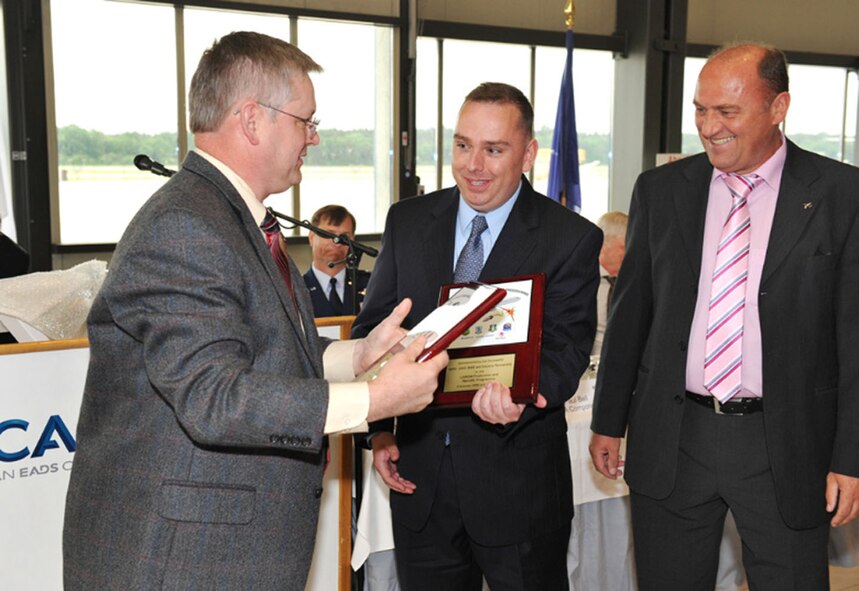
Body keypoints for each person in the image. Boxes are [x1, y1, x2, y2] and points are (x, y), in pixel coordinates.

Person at [62, 31, 447, 591]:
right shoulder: (185, 227)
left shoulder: (239, 220)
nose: (313, 138)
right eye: (305, 121)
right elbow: (215, 397)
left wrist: (356, 356)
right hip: (181, 561)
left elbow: (263, 349)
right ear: (252, 119)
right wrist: (376, 399)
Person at [589, 42, 859, 590]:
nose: (709, 127)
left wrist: (850, 457)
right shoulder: (661, 191)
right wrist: (607, 419)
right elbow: (631, 313)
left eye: (727, 112)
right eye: (701, 109)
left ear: (778, 107)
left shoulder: (840, 194)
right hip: (675, 436)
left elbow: (854, 339)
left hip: (785, 444)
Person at [352, 82, 602, 590]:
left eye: (494, 149)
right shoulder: (409, 220)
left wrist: (523, 396)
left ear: (529, 153)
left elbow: (567, 349)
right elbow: (372, 334)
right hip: (419, 481)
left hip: (520, 490)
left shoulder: (570, 238)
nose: (474, 165)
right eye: (463, 145)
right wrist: (378, 428)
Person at [302, 204, 371, 317]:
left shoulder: (369, 284)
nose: (337, 241)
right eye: (329, 234)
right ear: (311, 237)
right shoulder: (296, 289)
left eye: (344, 237)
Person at [591, 210, 627, 356]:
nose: (630, 254)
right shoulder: (582, 280)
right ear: (604, 244)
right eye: (624, 247)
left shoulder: (633, 285)